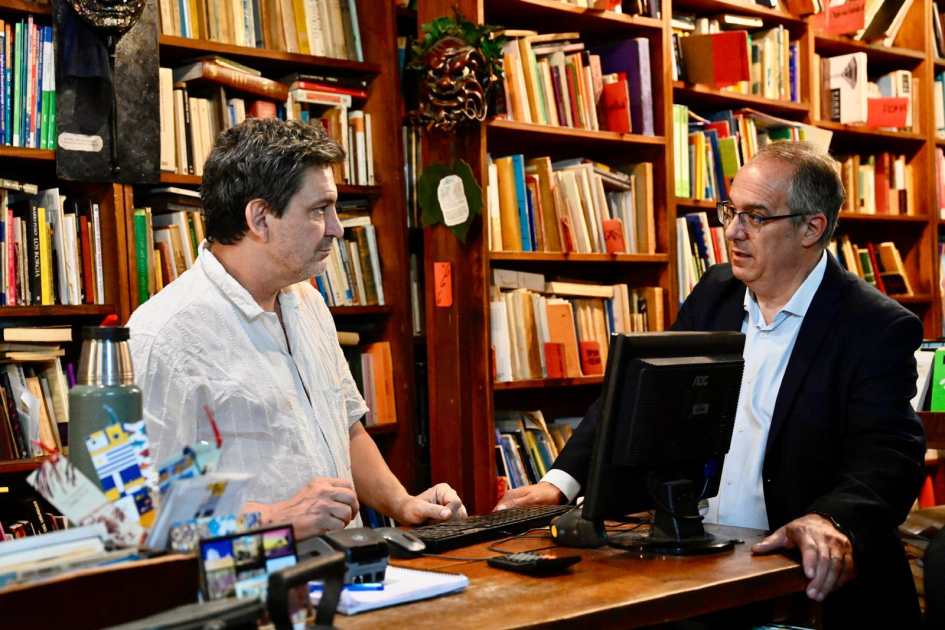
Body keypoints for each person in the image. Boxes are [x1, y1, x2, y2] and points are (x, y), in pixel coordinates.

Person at [495, 142, 926, 628]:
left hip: (805, 586)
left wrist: (831, 519)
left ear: (812, 227)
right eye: (730, 211)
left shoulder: (874, 325)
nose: (733, 232)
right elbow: (634, 395)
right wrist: (559, 483)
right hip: (704, 568)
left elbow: (890, 452)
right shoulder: (715, 292)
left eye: (756, 217)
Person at [129, 118, 465, 538]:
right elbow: (145, 508)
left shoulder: (307, 301)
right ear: (260, 218)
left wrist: (403, 503)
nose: (336, 228)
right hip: (250, 591)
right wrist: (278, 518)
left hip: (348, 570)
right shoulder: (164, 335)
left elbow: (346, 428)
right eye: (318, 211)